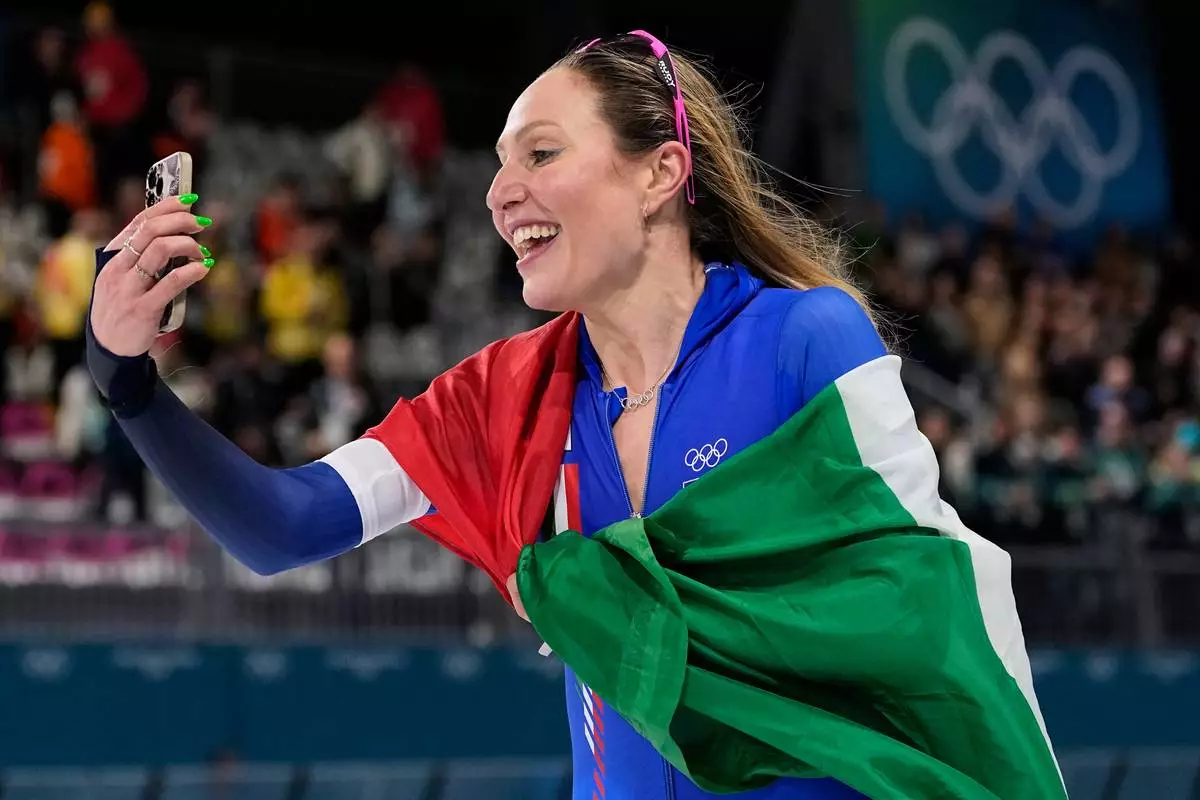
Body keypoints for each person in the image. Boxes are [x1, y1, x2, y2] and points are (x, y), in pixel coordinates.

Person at [86, 32, 1046, 800]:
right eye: (501, 166)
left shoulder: (805, 340)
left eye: (542, 154)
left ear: (660, 173)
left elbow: (934, 609)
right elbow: (277, 526)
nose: (503, 194)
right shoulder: (495, 405)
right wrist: (126, 379)